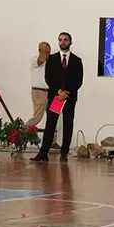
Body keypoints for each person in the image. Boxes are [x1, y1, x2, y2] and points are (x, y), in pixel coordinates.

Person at [31, 32, 83, 162]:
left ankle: (64, 153)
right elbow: (49, 78)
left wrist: (66, 93)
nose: (63, 42)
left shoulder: (77, 61)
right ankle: (43, 153)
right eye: (60, 40)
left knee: (68, 124)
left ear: (70, 42)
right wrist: (59, 92)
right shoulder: (52, 59)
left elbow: (78, 81)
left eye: (65, 40)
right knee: (50, 124)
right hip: (56, 97)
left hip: (69, 98)